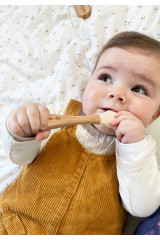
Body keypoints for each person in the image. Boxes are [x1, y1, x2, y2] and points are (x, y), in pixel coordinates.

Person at [0, 31, 160, 235]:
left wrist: (133, 148)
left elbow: (142, 207)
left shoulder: (141, 151)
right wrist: (21, 133)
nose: (116, 94)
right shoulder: (58, 114)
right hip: (13, 226)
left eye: (138, 89)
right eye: (105, 77)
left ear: (155, 116)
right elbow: (20, 157)